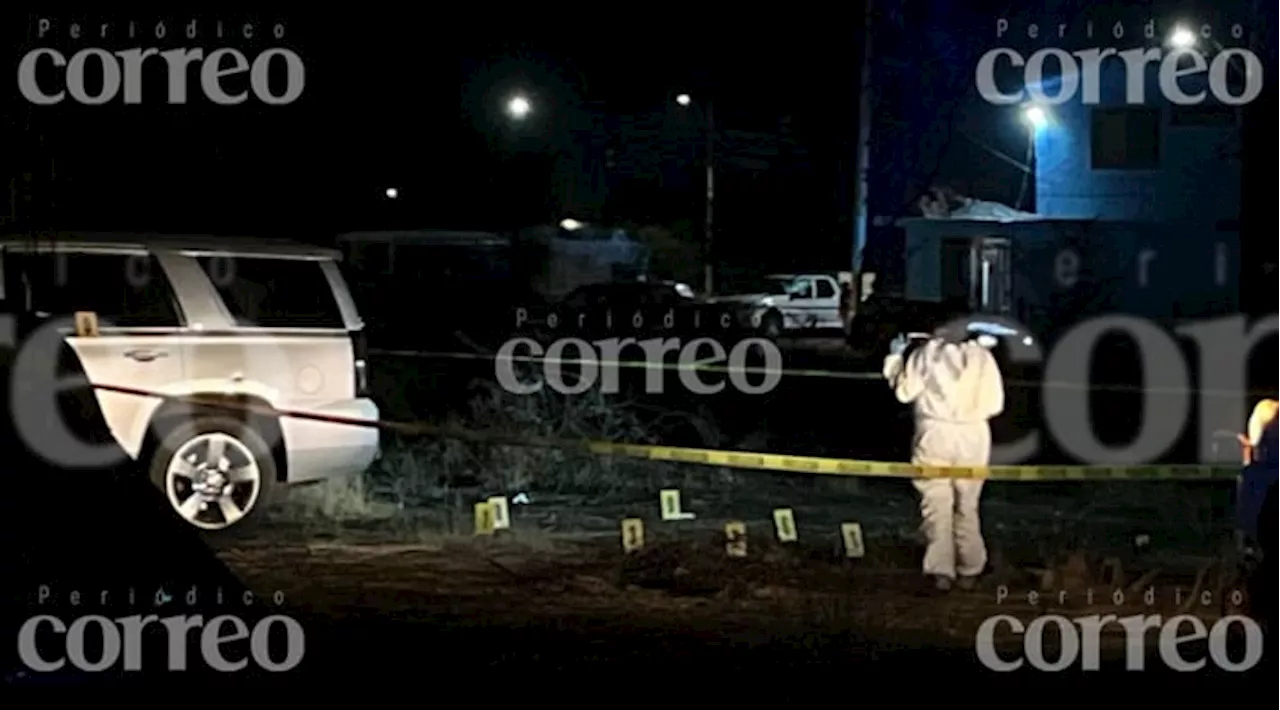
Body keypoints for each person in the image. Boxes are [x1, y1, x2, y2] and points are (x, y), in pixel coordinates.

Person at [883, 322, 1005, 592]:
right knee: (967, 504)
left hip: (934, 432)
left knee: (935, 502)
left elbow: (904, 392)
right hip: (974, 435)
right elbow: (996, 403)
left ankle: (941, 572)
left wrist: (894, 360)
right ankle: (971, 568)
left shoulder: (926, 353)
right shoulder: (983, 357)